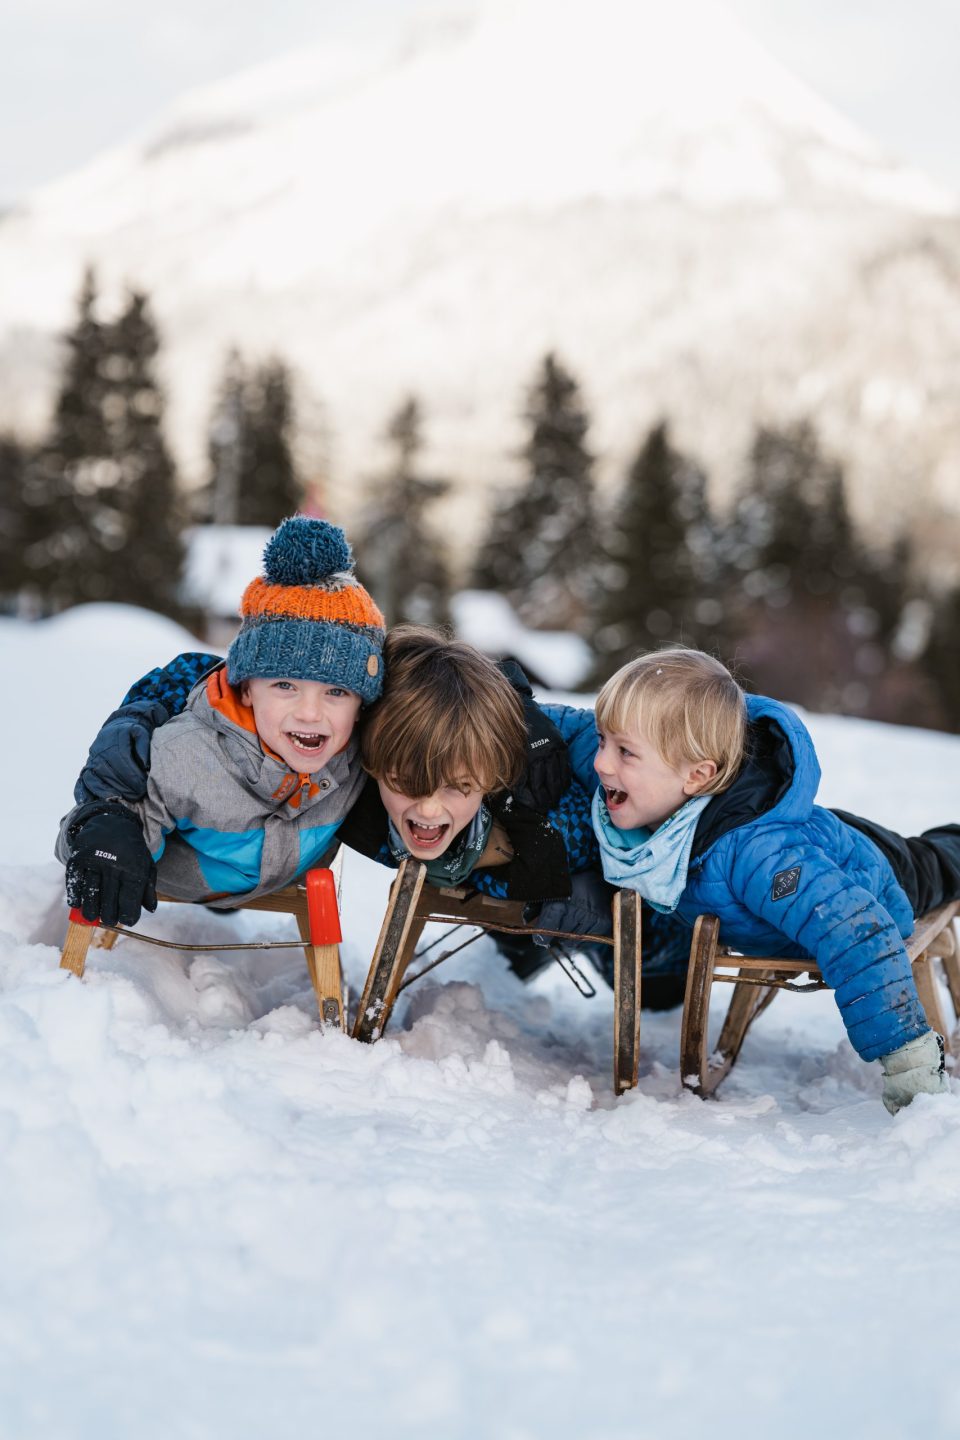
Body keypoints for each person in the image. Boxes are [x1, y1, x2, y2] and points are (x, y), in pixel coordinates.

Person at [586, 646, 960, 1113]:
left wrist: (909, 1064)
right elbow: (574, 736)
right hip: (817, 841)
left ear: (697, 775)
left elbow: (856, 932)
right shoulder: (665, 805)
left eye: (624, 751)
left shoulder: (758, 859)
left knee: (944, 860)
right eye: (604, 741)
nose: (601, 763)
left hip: (877, 875)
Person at [57, 516, 385, 920]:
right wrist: (105, 837)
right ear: (246, 688)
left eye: (336, 692)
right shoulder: (189, 755)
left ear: (362, 703)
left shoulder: (356, 760)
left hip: (281, 879)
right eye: (285, 685)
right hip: (180, 881)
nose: (311, 713)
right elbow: (91, 822)